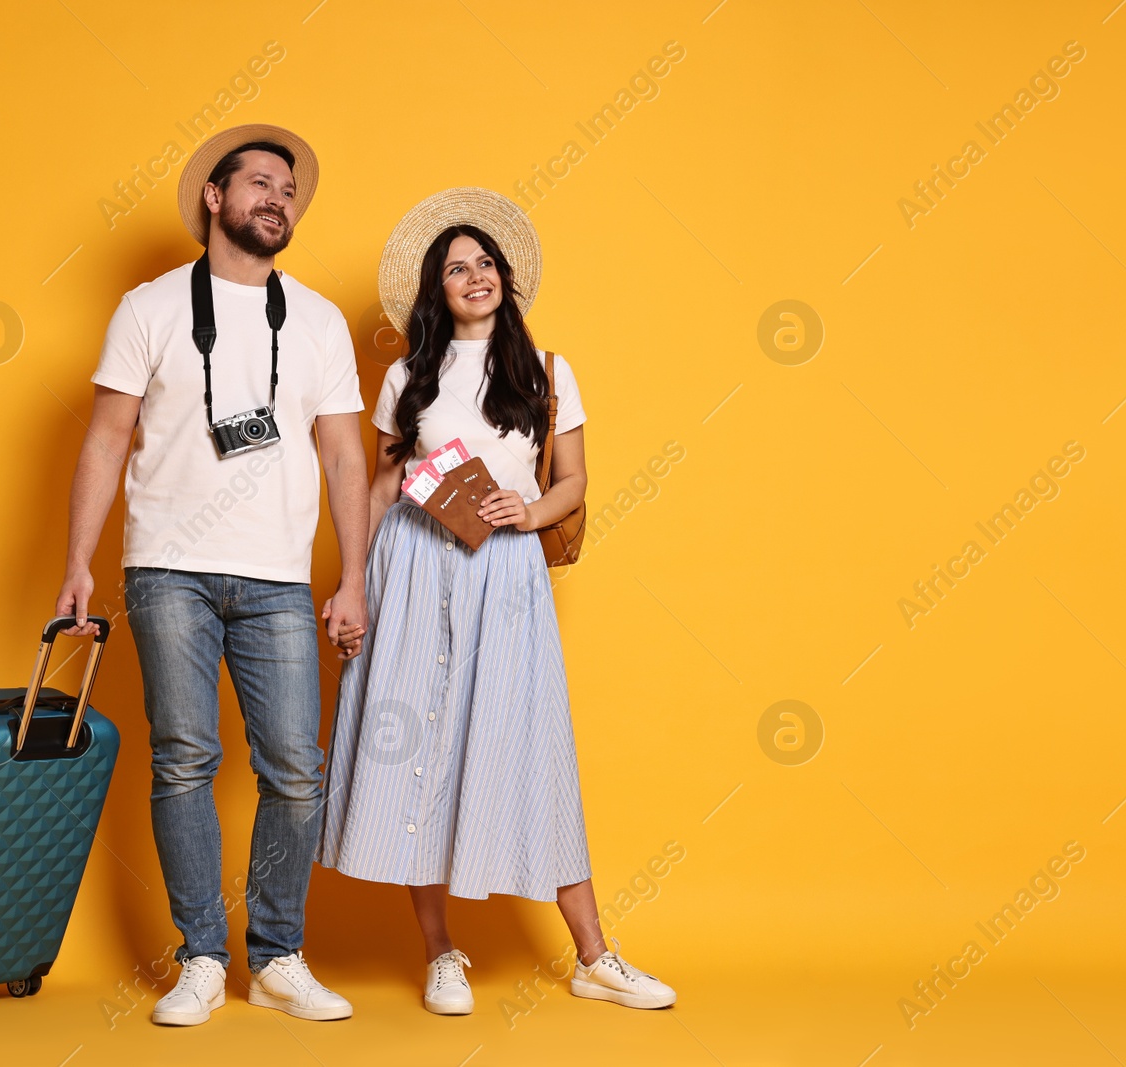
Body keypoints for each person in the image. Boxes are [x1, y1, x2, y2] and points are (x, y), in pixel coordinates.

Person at [316, 187, 676, 1015]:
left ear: (507, 279)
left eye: (484, 264)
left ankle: (593, 955)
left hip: (507, 574)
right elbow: (377, 486)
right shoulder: (408, 374)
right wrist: (352, 586)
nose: (472, 276)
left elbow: (576, 478)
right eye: (455, 268)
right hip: (413, 567)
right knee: (415, 750)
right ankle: (441, 951)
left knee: (530, 747)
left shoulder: (546, 370)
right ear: (435, 291)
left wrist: (533, 510)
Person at [54, 123, 371, 1027]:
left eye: (290, 191)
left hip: (277, 575)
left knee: (295, 772)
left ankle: (276, 956)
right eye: (261, 184)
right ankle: (200, 955)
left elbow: (346, 458)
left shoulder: (315, 320)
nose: (279, 199)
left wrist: (351, 578)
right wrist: (77, 560)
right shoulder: (148, 306)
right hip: (168, 570)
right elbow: (107, 436)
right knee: (185, 761)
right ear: (215, 198)